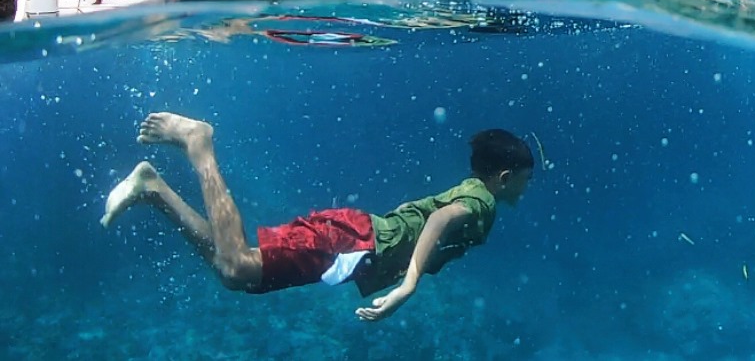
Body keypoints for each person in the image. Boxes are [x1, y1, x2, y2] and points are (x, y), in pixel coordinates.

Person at [100, 112, 534, 322]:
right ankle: (200, 143)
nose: (525, 189)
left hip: (356, 246)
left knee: (234, 273)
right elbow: (440, 220)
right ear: (505, 176)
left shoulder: (475, 190)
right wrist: (409, 285)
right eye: (524, 181)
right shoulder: (483, 203)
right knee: (236, 267)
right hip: (356, 243)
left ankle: (153, 189)